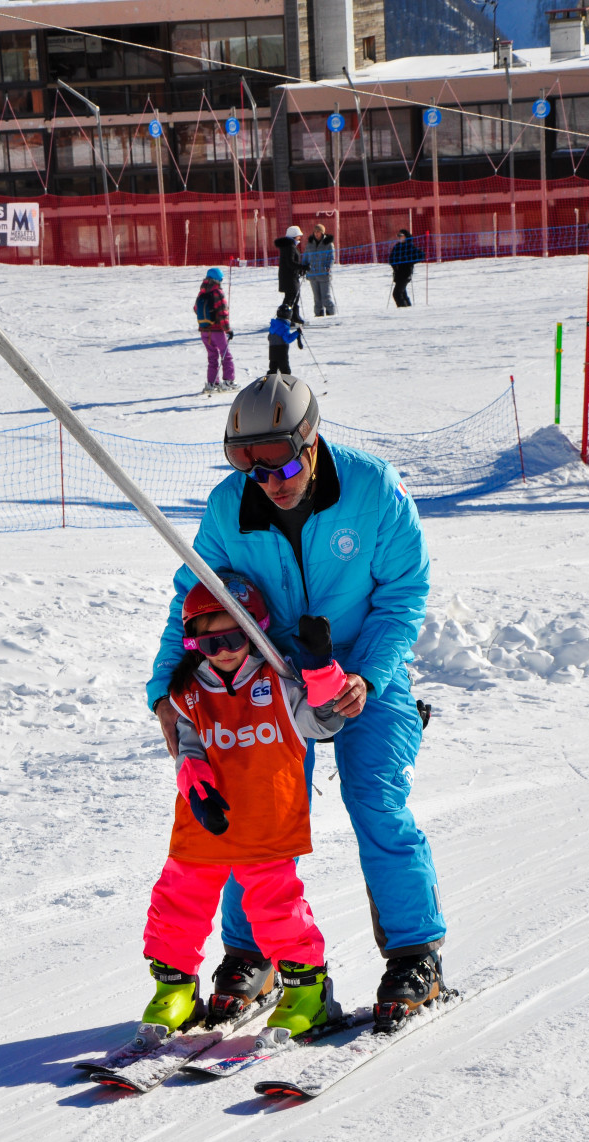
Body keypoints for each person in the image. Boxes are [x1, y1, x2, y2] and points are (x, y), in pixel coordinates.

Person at [148, 373, 446, 1018]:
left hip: (368, 670)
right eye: (252, 469)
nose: (271, 482)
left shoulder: (374, 491)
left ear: (311, 441)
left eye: (282, 462)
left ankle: (414, 951)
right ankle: (249, 953)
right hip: (273, 684)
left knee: (376, 801)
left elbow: (403, 597)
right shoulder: (231, 506)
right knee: (250, 815)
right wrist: (162, 690)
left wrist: (365, 675)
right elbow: (193, 596)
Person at [142, 575, 345, 1036]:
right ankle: (173, 990)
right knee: (177, 903)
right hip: (204, 825)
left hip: (266, 823)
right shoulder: (189, 691)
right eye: (209, 643)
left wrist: (319, 668)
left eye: (234, 636)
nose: (224, 650)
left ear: (256, 628)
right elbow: (188, 749)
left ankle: (306, 995)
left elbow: (324, 722)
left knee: (277, 911)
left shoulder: (279, 679)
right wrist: (198, 790)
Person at [194, 266, 236, 394]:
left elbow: (196, 309)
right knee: (226, 355)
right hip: (217, 331)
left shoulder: (202, 292)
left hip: (204, 331)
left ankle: (212, 383)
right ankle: (229, 381)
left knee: (212, 357)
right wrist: (227, 330)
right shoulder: (217, 292)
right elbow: (223, 313)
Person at [273, 225, 307, 324]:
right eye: (298, 236)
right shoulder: (290, 247)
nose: (300, 238)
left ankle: (293, 316)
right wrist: (302, 267)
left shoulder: (289, 246)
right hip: (289, 278)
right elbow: (290, 263)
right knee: (291, 298)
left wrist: (300, 270)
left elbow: (291, 263)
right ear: (294, 236)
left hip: (290, 276)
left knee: (293, 297)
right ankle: (286, 317)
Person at [303, 222, 337, 316]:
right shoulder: (310, 244)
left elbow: (331, 257)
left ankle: (331, 314)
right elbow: (305, 257)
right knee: (317, 299)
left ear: (322, 233)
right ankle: (318, 314)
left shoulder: (328, 244)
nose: (316, 233)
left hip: (323, 274)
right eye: (315, 232)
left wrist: (328, 267)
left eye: (318, 232)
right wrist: (303, 267)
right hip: (312, 274)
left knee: (326, 297)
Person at [389, 228, 424, 308]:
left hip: (406, 273)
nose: (399, 237)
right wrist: (395, 265)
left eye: (401, 236)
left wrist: (409, 262)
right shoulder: (397, 246)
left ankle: (403, 309)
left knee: (397, 293)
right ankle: (408, 308)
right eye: (398, 236)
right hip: (398, 273)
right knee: (402, 293)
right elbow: (391, 259)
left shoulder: (410, 247)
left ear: (406, 236)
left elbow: (421, 255)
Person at [267, 303, 303, 375]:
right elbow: (287, 339)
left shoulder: (273, 325)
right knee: (285, 372)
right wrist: (297, 333)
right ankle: (286, 385)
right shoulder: (284, 327)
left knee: (272, 370)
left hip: (272, 352)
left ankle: (268, 384)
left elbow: (269, 337)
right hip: (282, 352)